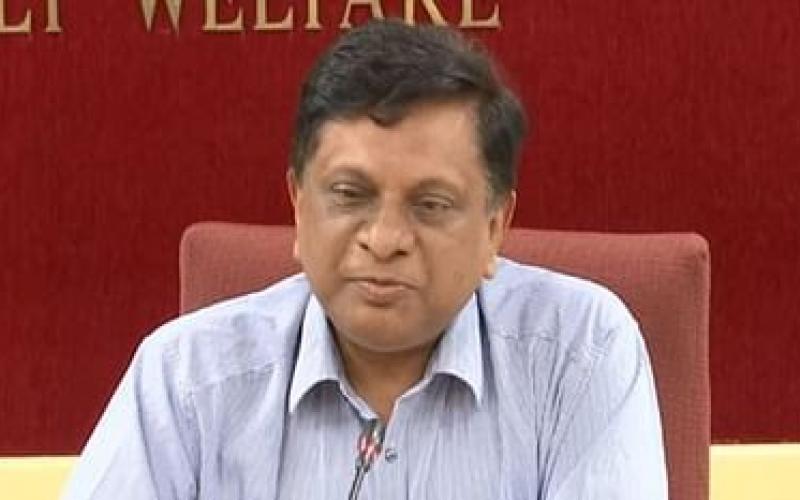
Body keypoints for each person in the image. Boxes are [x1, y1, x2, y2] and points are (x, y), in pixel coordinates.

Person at [63, 19, 667, 500]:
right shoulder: (186, 380)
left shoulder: (579, 354)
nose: (383, 239)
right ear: (299, 206)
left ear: (494, 228)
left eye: (430, 205)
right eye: (350, 195)